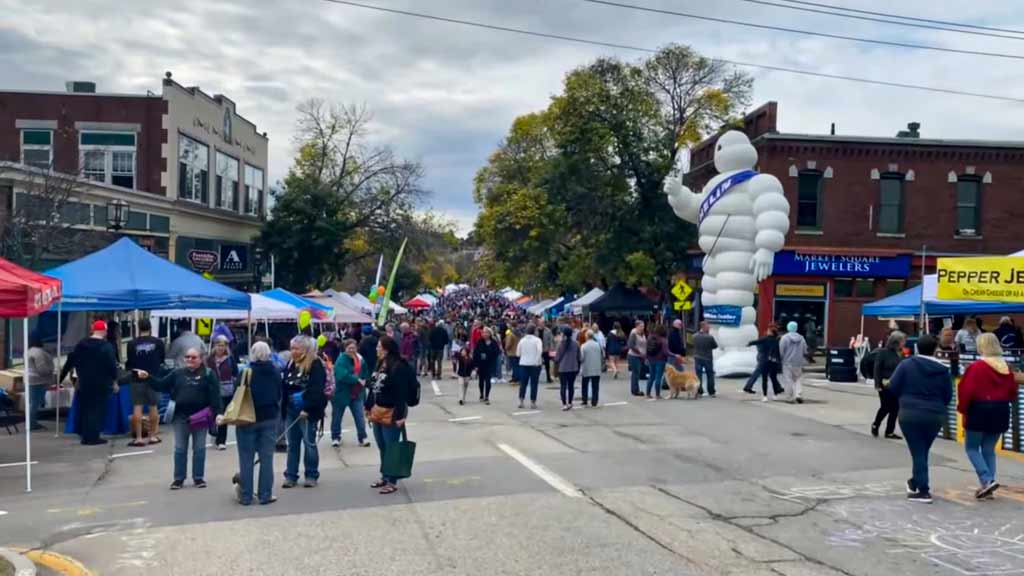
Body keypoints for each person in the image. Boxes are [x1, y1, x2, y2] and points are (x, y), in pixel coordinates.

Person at [136, 347, 220, 489]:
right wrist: (148, 377)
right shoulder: (177, 373)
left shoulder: (208, 374)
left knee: (199, 449)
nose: (190, 360)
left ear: (200, 359)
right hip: (180, 417)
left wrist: (217, 413)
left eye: (193, 357)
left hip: (200, 417)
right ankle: (179, 479)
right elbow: (161, 385)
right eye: (187, 357)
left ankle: (198, 478)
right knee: (180, 449)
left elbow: (215, 396)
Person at [888, 334, 952, 504]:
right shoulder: (943, 370)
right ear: (935, 349)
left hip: (910, 412)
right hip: (935, 414)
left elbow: (893, 387)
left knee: (918, 452)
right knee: (922, 451)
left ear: (917, 348)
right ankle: (915, 481)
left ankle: (923, 490)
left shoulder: (906, 365)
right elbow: (948, 395)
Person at [958, 333, 1019, 499]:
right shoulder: (1006, 367)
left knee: (971, 448)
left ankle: (987, 480)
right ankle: (988, 485)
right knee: (988, 449)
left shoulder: (976, 367)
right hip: (1001, 410)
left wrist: (963, 409)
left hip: (979, 409)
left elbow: (966, 391)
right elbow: (1013, 393)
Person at [233, 342, 281, 505]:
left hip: (248, 418)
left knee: (246, 459)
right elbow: (279, 393)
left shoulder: (246, 372)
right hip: (269, 417)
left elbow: (236, 393)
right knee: (266, 459)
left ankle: (246, 495)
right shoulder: (275, 371)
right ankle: (265, 495)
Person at [365, 335, 413, 495]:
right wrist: (368, 405)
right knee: (382, 446)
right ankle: (385, 476)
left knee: (391, 447)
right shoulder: (379, 364)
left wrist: (401, 416)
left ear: (386, 349)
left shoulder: (398, 366)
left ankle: (392, 481)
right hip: (377, 410)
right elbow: (373, 387)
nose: (377, 349)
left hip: (392, 412)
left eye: (379, 347)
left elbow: (401, 393)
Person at [59, 321, 119, 445]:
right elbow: (111, 366)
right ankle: (93, 436)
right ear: (103, 331)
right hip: (101, 382)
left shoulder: (81, 344)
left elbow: (73, 360)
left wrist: (72, 377)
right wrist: (114, 380)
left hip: (85, 381)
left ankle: (86, 435)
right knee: (97, 410)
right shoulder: (106, 346)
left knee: (86, 409)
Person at [281, 335, 328, 488]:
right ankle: (291, 475)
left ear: (305, 349)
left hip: (307, 411)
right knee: (292, 444)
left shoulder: (315, 364)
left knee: (309, 443)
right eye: (292, 348)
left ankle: (311, 474)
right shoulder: (290, 364)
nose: (293, 351)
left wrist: (307, 408)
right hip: (291, 409)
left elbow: (316, 389)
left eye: (296, 348)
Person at [125, 319, 165, 446]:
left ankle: (139, 438)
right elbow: (162, 359)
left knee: (138, 406)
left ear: (138, 328)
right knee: (153, 406)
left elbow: (129, 362)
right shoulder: (158, 342)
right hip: (153, 378)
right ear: (150, 328)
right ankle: (152, 436)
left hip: (137, 378)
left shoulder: (131, 344)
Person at [331, 339, 370, 448]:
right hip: (341, 393)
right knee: (337, 417)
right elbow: (341, 375)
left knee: (359, 417)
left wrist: (366, 380)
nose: (351, 350)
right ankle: (335, 437)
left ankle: (362, 437)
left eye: (353, 348)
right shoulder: (340, 360)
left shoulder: (361, 359)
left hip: (357, 393)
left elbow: (365, 373)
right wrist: (357, 379)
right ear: (345, 349)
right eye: (349, 348)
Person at [872, 331, 906, 440]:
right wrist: (877, 384)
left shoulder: (900, 353)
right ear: (896, 342)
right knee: (886, 407)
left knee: (895, 408)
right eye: (902, 341)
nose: (904, 343)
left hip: (896, 385)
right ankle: (876, 424)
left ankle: (889, 431)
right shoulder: (883, 352)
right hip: (885, 384)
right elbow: (877, 368)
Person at [207, 334, 238, 451]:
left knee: (223, 415)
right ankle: (213, 432)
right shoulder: (209, 359)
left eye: (223, 345)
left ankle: (221, 440)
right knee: (213, 414)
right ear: (215, 346)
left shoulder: (230, 359)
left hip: (226, 390)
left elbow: (235, 373)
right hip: (213, 390)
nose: (221, 348)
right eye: (219, 345)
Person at [26, 332, 54, 431]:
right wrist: (51, 370)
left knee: (32, 403)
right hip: (38, 381)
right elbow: (42, 369)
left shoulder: (29, 351)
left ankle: (31, 422)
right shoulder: (39, 353)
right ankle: (32, 424)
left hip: (30, 380)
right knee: (35, 403)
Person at [747, 327, 783, 402]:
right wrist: (779, 361)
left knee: (764, 379)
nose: (767, 331)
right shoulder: (777, 340)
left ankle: (765, 396)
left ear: (771, 332)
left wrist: (749, 343)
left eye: (768, 331)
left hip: (765, 361)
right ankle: (775, 395)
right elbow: (779, 352)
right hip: (774, 361)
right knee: (773, 379)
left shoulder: (765, 339)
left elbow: (756, 341)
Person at [779, 321, 808, 404]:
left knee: (788, 379)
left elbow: (781, 350)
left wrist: (781, 359)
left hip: (787, 362)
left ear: (788, 328)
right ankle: (798, 394)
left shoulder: (784, 338)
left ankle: (789, 396)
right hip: (798, 362)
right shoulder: (801, 338)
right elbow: (805, 350)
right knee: (798, 379)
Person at [517, 324, 544, 409]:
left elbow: (518, 353)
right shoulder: (537, 340)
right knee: (534, 383)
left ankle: (521, 400)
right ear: (534, 331)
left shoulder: (522, 340)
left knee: (523, 383)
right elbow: (539, 350)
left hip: (524, 363)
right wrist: (537, 359)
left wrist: (523, 355)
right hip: (535, 365)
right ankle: (533, 402)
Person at [555, 326, 582, 411]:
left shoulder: (561, 344)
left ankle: (564, 404)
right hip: (573, 368)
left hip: (563, 368)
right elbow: (579, 357)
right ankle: (570, 402)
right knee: (571, 386)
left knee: (563, 386)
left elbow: (557, 358)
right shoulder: (576, 344)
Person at [472, 327, 500, 404]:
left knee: (488, 381)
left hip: (489, 364)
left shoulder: (493, 342)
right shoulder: (479, 342)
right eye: (483, 332)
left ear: (489, 333)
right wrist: (475, 365)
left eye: (486, 332)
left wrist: (490, 356)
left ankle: (487, 396)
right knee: (481, 381)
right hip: (481, 364)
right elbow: (475, 353)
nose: (484, 334)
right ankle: (481, 394)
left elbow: (497, 352)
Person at [692, 322, 717, 398]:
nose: (709, 328)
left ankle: (699, 391)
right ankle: (711, 391)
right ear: (704, 327)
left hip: (697, 357)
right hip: (707, 358)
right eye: (708, 327)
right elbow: (715, 346)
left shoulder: (694, 336)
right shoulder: (710, 337)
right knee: (710, 375)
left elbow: (693, 345)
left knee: (698, 375)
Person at [580, 330, 603, 407]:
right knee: (595, 386)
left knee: (585, 385)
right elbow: (602, 355)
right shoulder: (598, 345)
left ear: (586, 336)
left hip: (587, 368)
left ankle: (584, 399)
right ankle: (594, 401)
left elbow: (581, 358)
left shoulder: (583, 346)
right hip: (596, 368)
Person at [646, 325, 669, 399]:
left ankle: (648, 393)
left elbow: (647, 348)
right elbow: (665, 352)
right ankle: (657, 394)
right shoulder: (663, 340)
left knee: (651, 376)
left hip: (651, 359)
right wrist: (674, 355)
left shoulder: (650, 337)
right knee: (658, 377)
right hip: (660, 360)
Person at [627, 320, 647, 396]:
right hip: (633, 356)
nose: (643, 327)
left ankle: (635, 389)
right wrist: (639, 352)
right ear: (637, 326)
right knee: (636, 373)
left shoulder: (642, 333)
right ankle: (635, 390)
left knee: (637, 373)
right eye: (641, 326)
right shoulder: (633, 334)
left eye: (643, 326)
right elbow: (631, 345)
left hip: (640, 356)